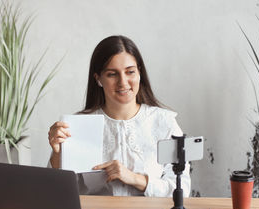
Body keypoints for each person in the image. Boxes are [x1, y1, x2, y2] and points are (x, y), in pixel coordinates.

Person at [48, 35, 190, 197]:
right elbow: (59, 192)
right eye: (112, 74)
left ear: (139, 73)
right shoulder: (77, 126)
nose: (123, 82)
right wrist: (58, 153)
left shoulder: (164, 122)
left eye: (130, 72)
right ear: (98, 79)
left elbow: (182, 190)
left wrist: (135, 178)